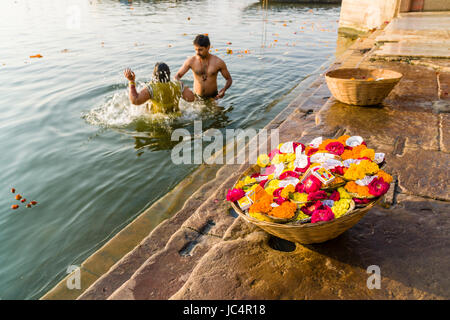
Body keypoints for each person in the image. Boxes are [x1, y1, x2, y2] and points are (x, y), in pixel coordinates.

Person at [175, 34, 232, 100]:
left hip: (214, 98)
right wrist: (183, 88)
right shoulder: (191, 61)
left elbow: (229, 79)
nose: (197, 52)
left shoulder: (218, 62)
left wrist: (224, 89)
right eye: (195, 49)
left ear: (208, 47)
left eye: (200, 50)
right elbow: (177, 76)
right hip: (197, 99)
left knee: (219, 110)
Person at [124, 62, 195, 113]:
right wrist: (183, 86)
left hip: (157, 121)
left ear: (154, 75)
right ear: (169, 73)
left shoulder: (151, 88)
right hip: (177, 117)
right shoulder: (177, 85)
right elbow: (191, 98)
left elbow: (135, 100)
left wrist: (131, 81)